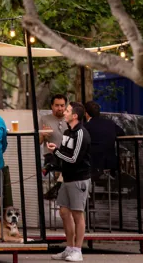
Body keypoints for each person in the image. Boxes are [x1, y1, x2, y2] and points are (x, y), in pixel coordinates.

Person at [48, 102, 91, 262]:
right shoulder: (67, 132)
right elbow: (65, 152)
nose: (63, 112)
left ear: (75, 116)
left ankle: (78, 250)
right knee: (64, 212)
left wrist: (57, 152)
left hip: (79, 179)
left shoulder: (81, 134)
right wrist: (56, 151)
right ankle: (69, 247)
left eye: (67, 110)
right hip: (66, 178)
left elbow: (74, 158)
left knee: (77, 214)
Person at [84, 101, 124, 178]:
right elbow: (122, 132)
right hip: (111, 161)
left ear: (86, 113)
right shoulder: (110, 123)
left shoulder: (86, 127)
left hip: (93, 163)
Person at [41, 95, 69, 199]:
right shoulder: (44, 119)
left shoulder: (69, 119)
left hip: (66, 156)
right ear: (52, 106)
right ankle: (49, 166)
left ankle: (54, 191)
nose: (60, 108)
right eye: (57, 105)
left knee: (67, 168)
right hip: (51, 155)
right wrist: (43, 135)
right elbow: (38, 142)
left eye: (62, 105)